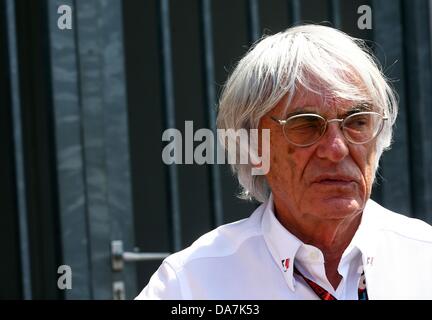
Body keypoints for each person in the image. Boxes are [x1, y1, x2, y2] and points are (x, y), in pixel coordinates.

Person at [136, 24, 432, 299]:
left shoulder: (424, 258)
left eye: (356, 122)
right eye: (305, 125)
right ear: (252, 146)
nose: (337, 148)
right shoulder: (192, 283)